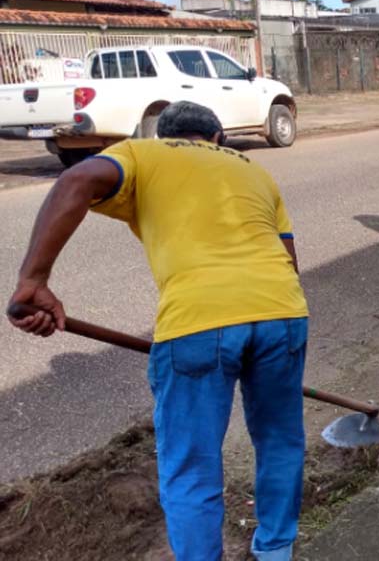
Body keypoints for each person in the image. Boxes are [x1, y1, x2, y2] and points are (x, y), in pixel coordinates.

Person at [6, 102, 309, 561]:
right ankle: (275, 550)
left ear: (164, 134)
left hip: (198, 321)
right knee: (279, 440)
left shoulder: (143, 153)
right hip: (283, 314)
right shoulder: (255, 171)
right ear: (219, 139)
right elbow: (289, 262)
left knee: (191, 464)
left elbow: (75, 181)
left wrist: (33, 281)